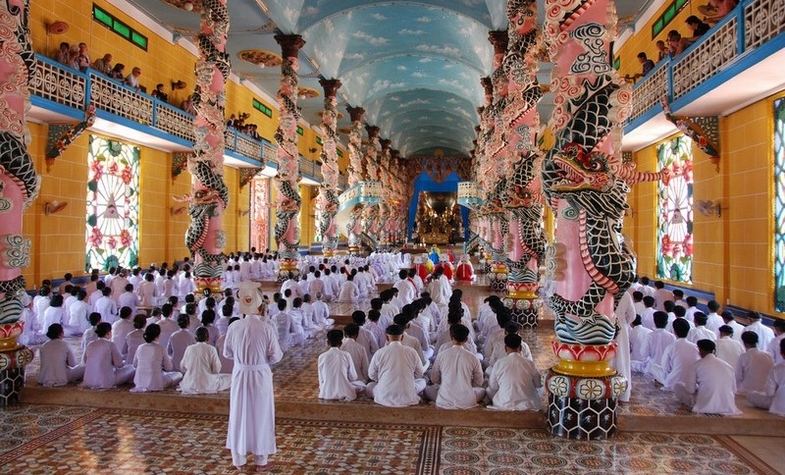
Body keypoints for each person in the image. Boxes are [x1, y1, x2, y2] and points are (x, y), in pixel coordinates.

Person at [223, 283, 283, 470]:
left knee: (239, 412)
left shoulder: (234, 327)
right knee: (261, 414)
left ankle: (238, 460)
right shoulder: (266, 328)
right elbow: (276, 356)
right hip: (260, 374)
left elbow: (227, 353)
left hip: (240, 373)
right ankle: (261, 460)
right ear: (259, 305)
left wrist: (243, 359)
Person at [675, 339, 741, 415]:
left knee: (678, 386)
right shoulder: (727, 365)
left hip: (704, 405)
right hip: (727, 405)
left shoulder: (696, 365)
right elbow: (734, 389)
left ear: (700, 350)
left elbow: (690, 390)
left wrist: (698, 388)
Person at [426, 324, 484, 409]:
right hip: (467, 401)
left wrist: (444, 383)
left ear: (451, 337)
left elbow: (434, 379)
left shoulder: (442, 355)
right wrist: (466, 385)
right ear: (466, 339)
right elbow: (479, 382)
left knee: (427, 390)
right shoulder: (473, 357)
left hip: (444, 400)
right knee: (483, 391)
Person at [366, 324, 425, 407]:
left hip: (384, 397)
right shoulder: (412, 352)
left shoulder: (380, 352)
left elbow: (371, 374)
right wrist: (408, 379)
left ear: (386, 338)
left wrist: (381, 379)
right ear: (402, 337)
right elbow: (420, 373)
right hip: (407, 396)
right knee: (422, 382)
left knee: (369, 386)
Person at [178, 327, 232, 394]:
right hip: (208, 384)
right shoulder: (211, 349)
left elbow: (182, 367)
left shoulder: (189, 348)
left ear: (195, 338)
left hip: (190, 384)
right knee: (231, 378)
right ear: (208, 338)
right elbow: (217, 369)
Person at [82, 322, 135, 389]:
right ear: (108, 333)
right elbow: (119, 364)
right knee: (131, 368)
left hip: (88, 381)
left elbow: (85, 361)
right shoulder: (110, 344)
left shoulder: (90, 344)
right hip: (106, 381)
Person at [131, 323, 182, 392]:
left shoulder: (140, 347)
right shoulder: (160, 348)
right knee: (178, 374)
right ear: (158, 335)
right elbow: (169, 368)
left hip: (139, 382)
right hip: (156, 384)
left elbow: (134, 365)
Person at [318, 330, 366, 401]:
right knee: (362, 385)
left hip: (326, 393)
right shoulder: (346, 355)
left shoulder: (321, 356)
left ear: (328, 343)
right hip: (344, 392)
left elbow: (321, 378)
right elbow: (353, 377)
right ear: (341, 343)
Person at [747, 339, 785, 417]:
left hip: (779, 408)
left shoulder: (777, 368)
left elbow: (769, 393)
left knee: (752, 395)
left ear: (781, 352)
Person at [660, 318, 699, 390]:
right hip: (691, 385)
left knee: (654, 368)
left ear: (674, 331)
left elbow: (665, 368)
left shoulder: (671, 347)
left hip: (672, 384)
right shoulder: (695, 347)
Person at [736, 331, 774, 396]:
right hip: (765, 393)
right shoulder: (768, 356)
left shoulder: (744, 356)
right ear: (757, 341)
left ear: (744, 343)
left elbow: (738, 377)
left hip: (746, 392)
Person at [646, 311, 676, 381]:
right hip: (666, 371)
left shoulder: (650, 336)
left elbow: (644, 353)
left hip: (652, 369)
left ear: (654, 322)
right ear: (666, 323)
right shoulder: (672, 337)